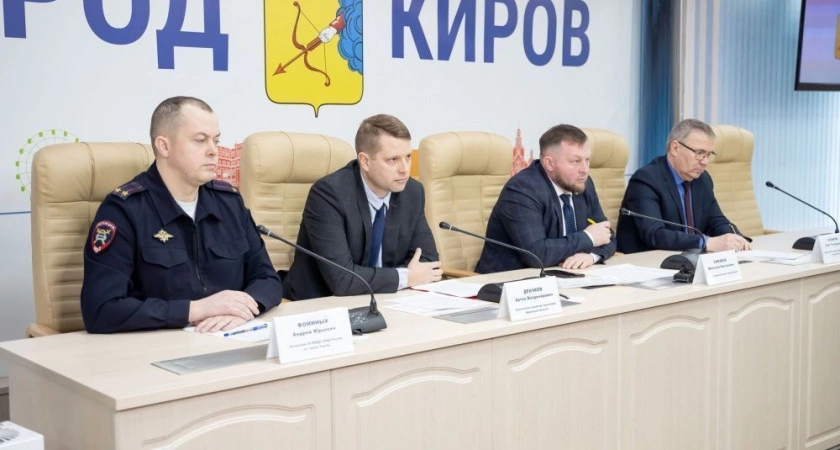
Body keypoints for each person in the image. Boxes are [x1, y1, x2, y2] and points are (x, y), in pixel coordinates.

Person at [81, 96, 282, 334]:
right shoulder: (125, 210)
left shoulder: (229, 203)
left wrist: (241, 309)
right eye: (200, 140)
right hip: (158, 347)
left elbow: (267, 279)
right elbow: (101, 310)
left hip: (232, 337)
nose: (214, 151)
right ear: (164, 146)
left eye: (216, 140)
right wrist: (196, 310)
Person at [284, 114, 441, 300]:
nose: (405, 169)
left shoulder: (412, 192)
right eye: (393, 160)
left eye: (408, 157)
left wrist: (403, 278)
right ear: (365, 161)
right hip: (322, 303)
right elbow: (342, 280)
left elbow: (429, 263)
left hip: (386, 299)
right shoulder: (329, 194)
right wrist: (406, 277)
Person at [475, 124, 615, 273]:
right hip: (509, 281)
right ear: (549, 163)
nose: (585, 169)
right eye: (575, 161)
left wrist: (592, 256)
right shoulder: (522, 189)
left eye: (587, 160)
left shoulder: (582, 184)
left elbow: (607, 235)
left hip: (564, 276)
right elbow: (536, 254)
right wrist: (588, 237)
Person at [616, 118, 752, 253]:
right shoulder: (646, 179)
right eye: (699, 153)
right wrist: (706, 243)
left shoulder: (702, 179)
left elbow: (717, 221)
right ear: (675, 148)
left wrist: (736, 239)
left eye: (708, 154)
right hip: (647, 260)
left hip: (687, 258)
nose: (705, 162)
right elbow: (655, 234)